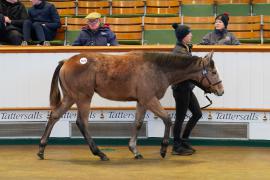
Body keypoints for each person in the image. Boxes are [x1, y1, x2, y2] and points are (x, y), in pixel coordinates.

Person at [171, 23, 202, 156]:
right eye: (189, 33)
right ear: (183, 37)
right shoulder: (179, 52)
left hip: (186, 87)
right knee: (180, 117)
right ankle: (176, 146)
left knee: (197, 113)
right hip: (181, 88)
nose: (191, 35)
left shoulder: (184, 48)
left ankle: (183, 140)